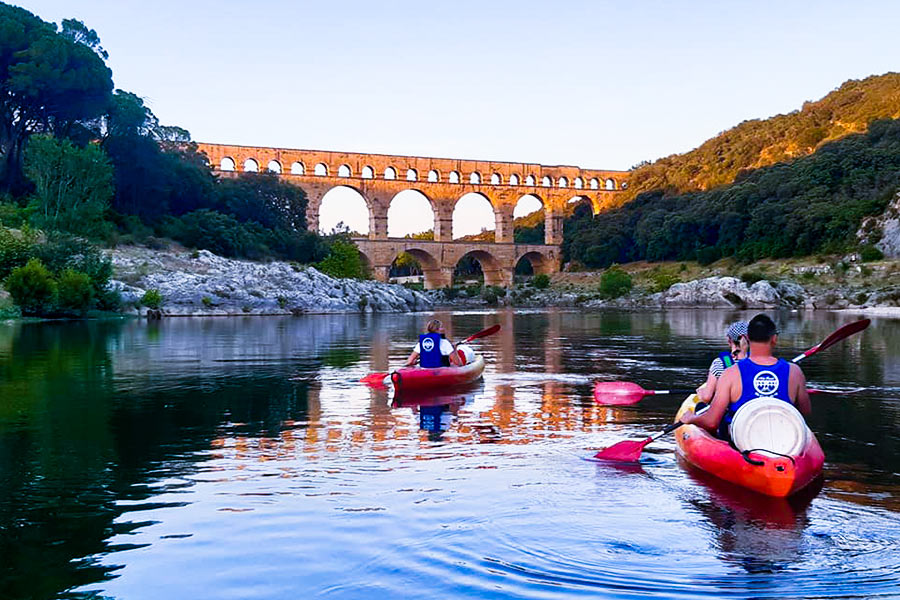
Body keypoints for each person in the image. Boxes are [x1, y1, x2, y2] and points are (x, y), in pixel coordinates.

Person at [682, 314, 811, 441]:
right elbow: (805, 412)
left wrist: (691, 418)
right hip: (782, 439)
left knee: (703, 410)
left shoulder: (730, 374)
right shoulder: (795, 372)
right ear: (774, 338)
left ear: (748, 338)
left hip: (742, 442)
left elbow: (711, 422)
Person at [696, 321, 749, 403]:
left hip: (729, 411)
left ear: (729, 340)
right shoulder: (756, 362)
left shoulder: (719, 363)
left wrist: (700, 392)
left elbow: (707, 397)